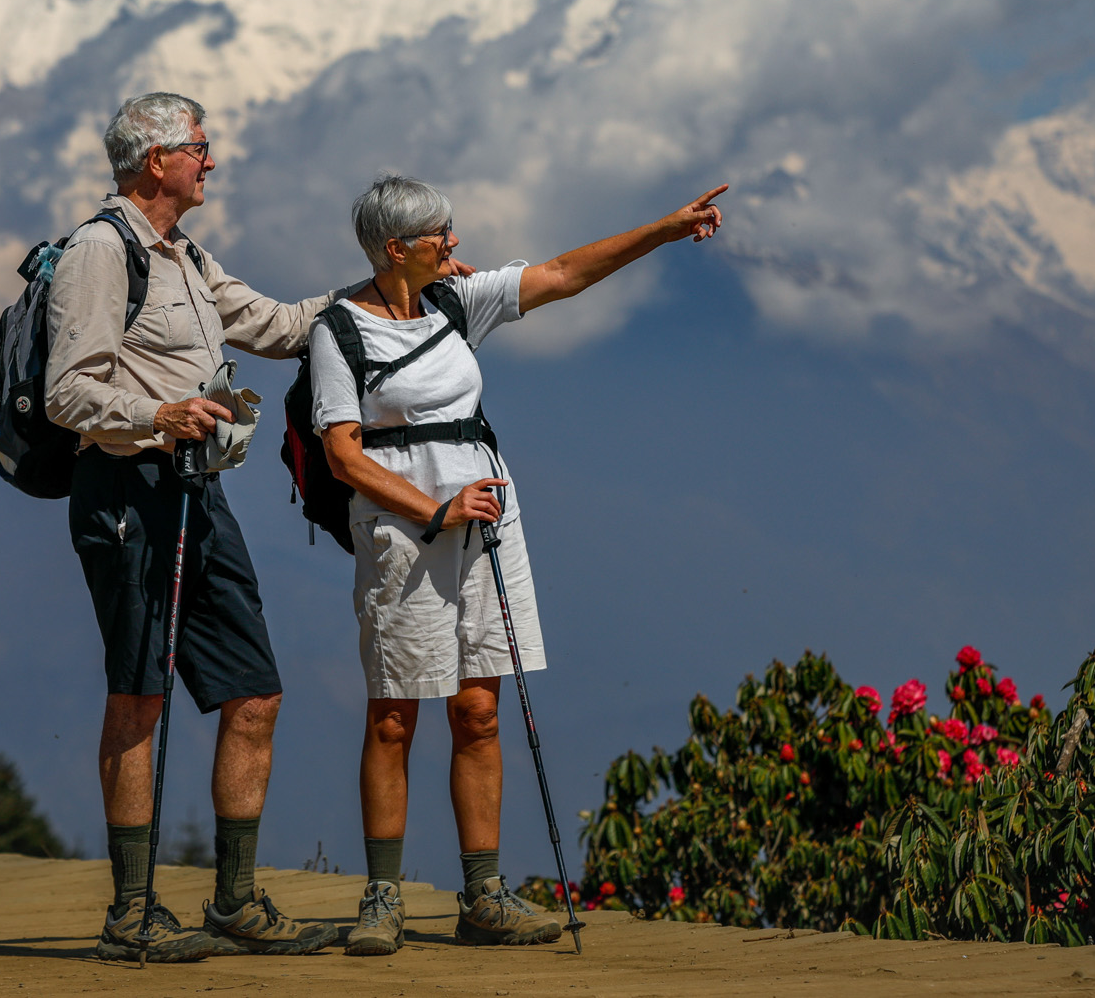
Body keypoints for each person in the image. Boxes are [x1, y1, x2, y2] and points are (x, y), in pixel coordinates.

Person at [310, 174, 728, 954]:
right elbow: (341, 455)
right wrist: (430, 508)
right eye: (441, 232)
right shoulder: (341, 330)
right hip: (404, 534)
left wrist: (665, 230)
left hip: (485, 524)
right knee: (395, 712)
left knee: (477, 709)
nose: (455, 242)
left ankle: (484, 893)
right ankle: (382, 897)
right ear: (398, 248)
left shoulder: (454, 301)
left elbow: (565, 274)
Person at [46, 91, 344, 963]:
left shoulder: (183, 255)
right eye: (200, 148)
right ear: (155, 161)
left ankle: (234, 902)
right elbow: (69, 391)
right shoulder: (100, 253)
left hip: (194, 490)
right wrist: (156, 412)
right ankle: (130, 913)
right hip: (126, 490)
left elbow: (281, 325)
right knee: (139, 696)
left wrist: (389, 290)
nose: (210, 161)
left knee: (256, 691)